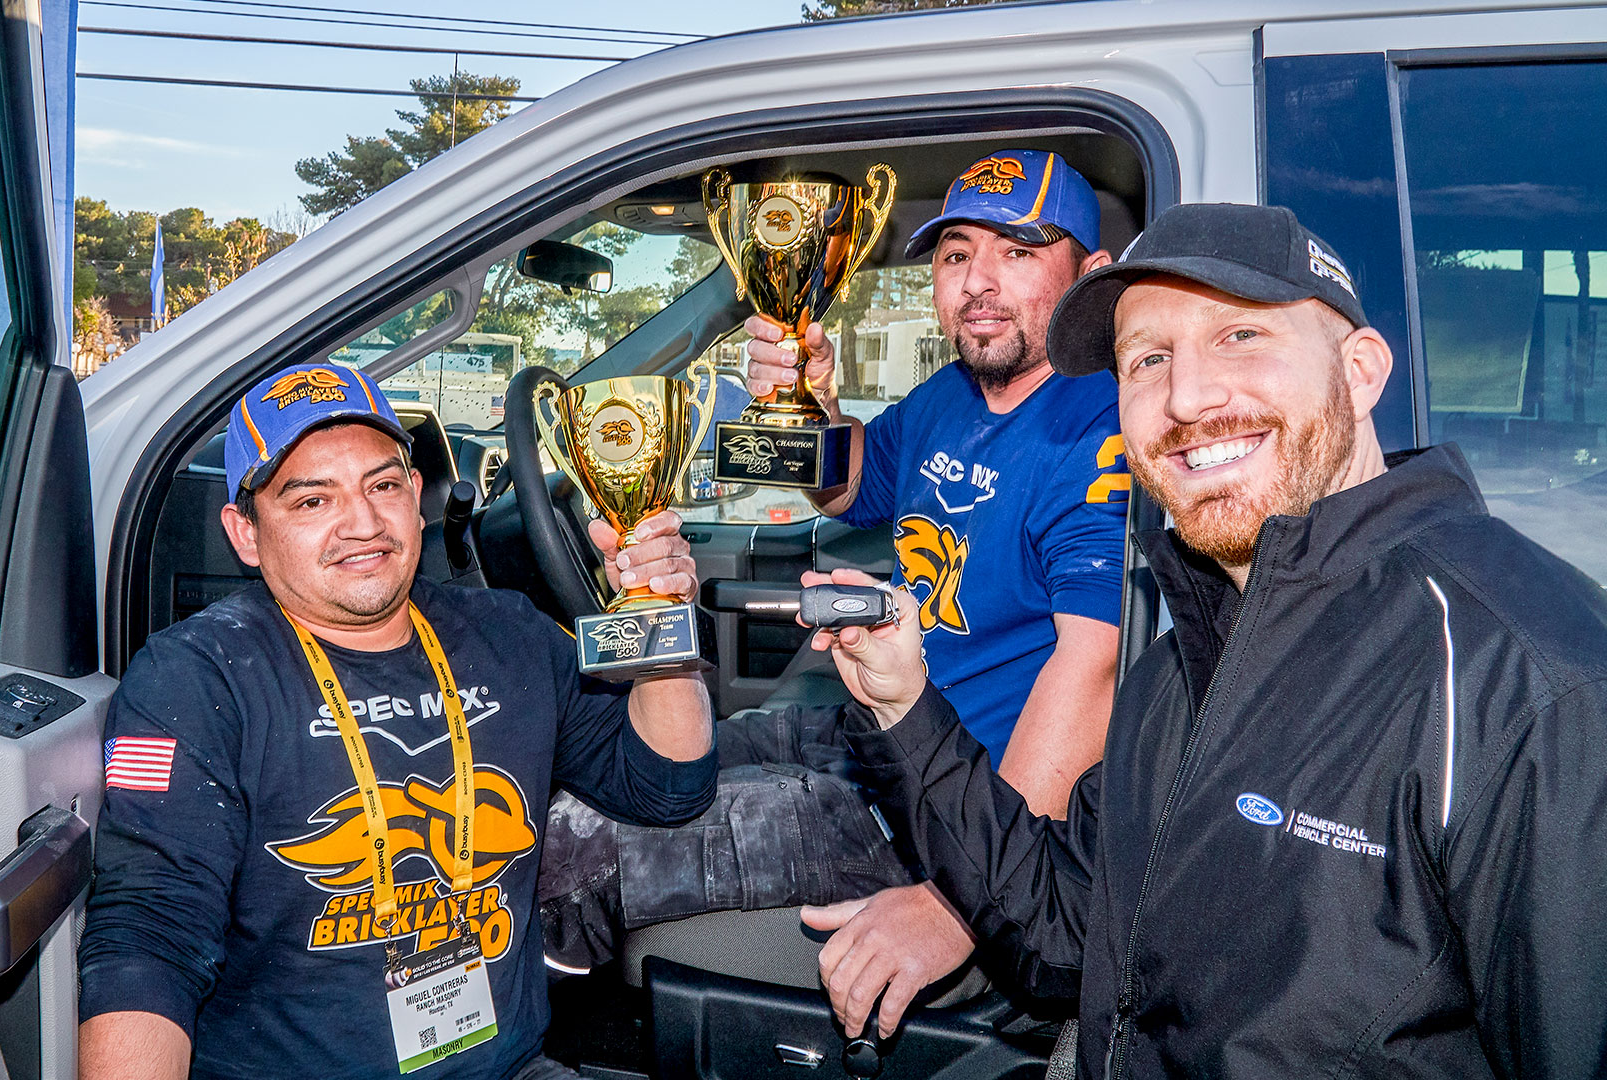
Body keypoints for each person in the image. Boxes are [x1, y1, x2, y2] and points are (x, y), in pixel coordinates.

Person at [819, 203, 1607, 1075]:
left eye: (1239, 338)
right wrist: (904, 705)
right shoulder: (1181, 668)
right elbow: (1061, 936)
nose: (1187, 398)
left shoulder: (1531, 682)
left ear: (1362, 371)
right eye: (1147, 359)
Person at [540, 150, 1130, 1029]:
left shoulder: (1103, 427)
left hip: (956, 809)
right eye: (957, 253)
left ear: (1093, 277)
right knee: (610, 775)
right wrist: (807, 402)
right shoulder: (956, 395)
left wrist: (961, 902)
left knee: (566, 853)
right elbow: (850, 483)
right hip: (873, 731)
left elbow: (1096, 668)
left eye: (1018, 251)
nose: (978, 282)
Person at [77, 360, 718, 1080]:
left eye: (381, 485)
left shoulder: (507, 633)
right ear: (247, 533)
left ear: (415, 497)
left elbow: (667, 785)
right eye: (312, 502)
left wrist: (663, 616)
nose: (362, 523)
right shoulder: (195, 678)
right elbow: (149, 935)